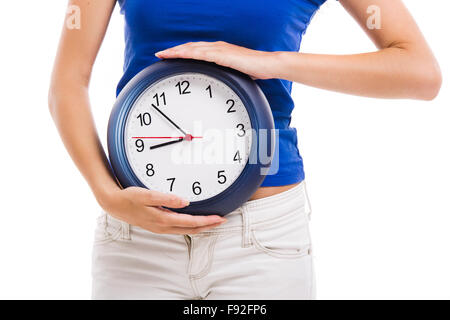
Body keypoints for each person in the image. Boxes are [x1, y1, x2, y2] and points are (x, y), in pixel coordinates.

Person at [48, 0, 441, 299]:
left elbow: (419, 73)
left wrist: (272, 63)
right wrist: (107, 194)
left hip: (261, 238)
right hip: (140, 234)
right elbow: (68, 81)